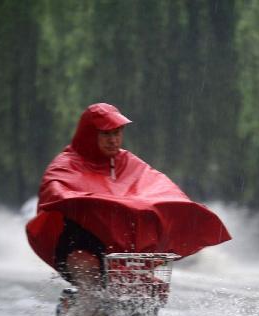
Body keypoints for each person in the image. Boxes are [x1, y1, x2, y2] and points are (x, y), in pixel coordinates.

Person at [26, 103, 231, 289]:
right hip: (79, 244)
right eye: (106, 134)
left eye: (118, 133)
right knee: (90, 281)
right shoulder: (67, 163)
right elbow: (55, 190)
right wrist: (95, 201)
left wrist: (185, 210)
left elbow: (159, 187)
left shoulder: (127, 161)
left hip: (122, 252)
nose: (113, 140)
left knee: (154, 290)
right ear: (89, 135)